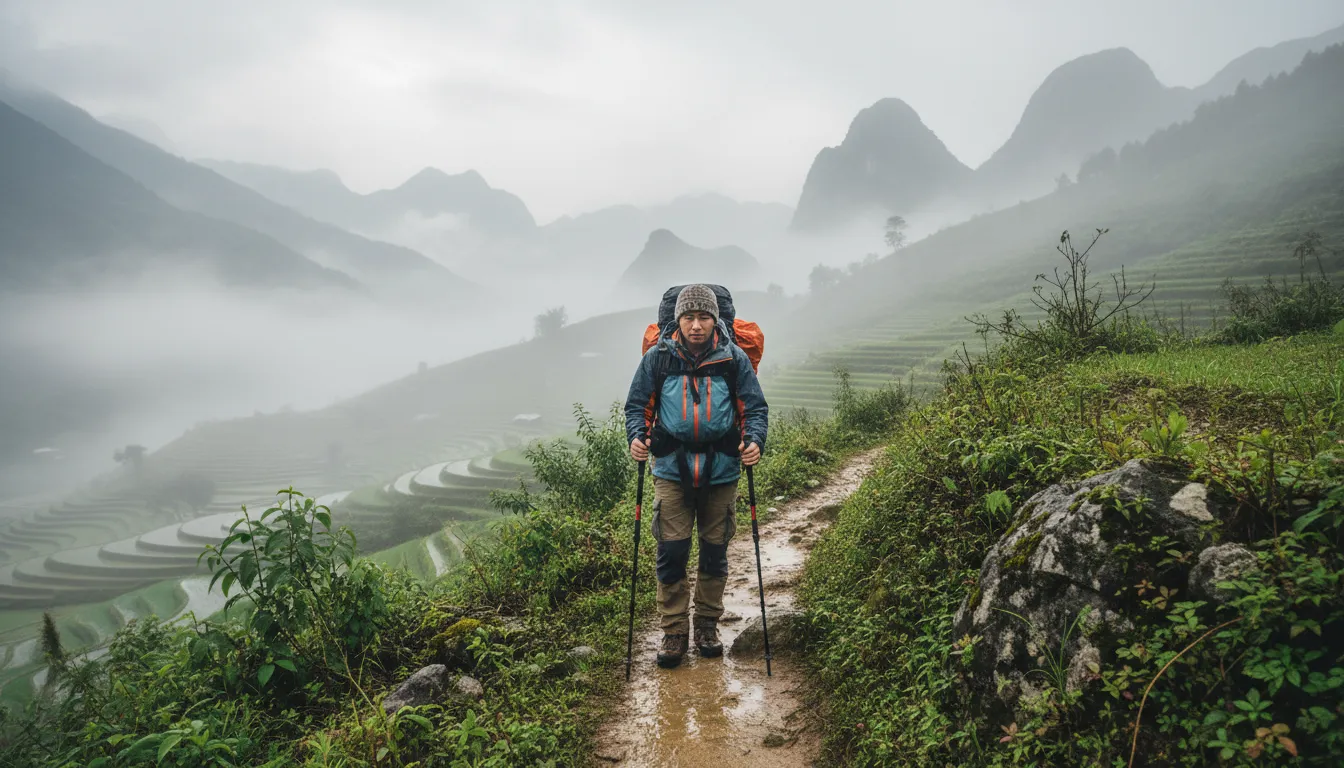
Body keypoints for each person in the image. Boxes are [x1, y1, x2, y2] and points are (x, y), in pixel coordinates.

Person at [623, 284, 769, 668]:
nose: (697, 325)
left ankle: (706, 624)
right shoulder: (658, 359)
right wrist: (637, 438)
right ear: (678, 320)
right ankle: (674, 632)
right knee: (671, 551)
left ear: (715, 320)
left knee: (714, 549)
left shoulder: (733, 358)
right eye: (689, 317)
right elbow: (636, 405)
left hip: (721, 468)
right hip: (671, 467)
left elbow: (755, 408)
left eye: (704, 317)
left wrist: (754, 441)